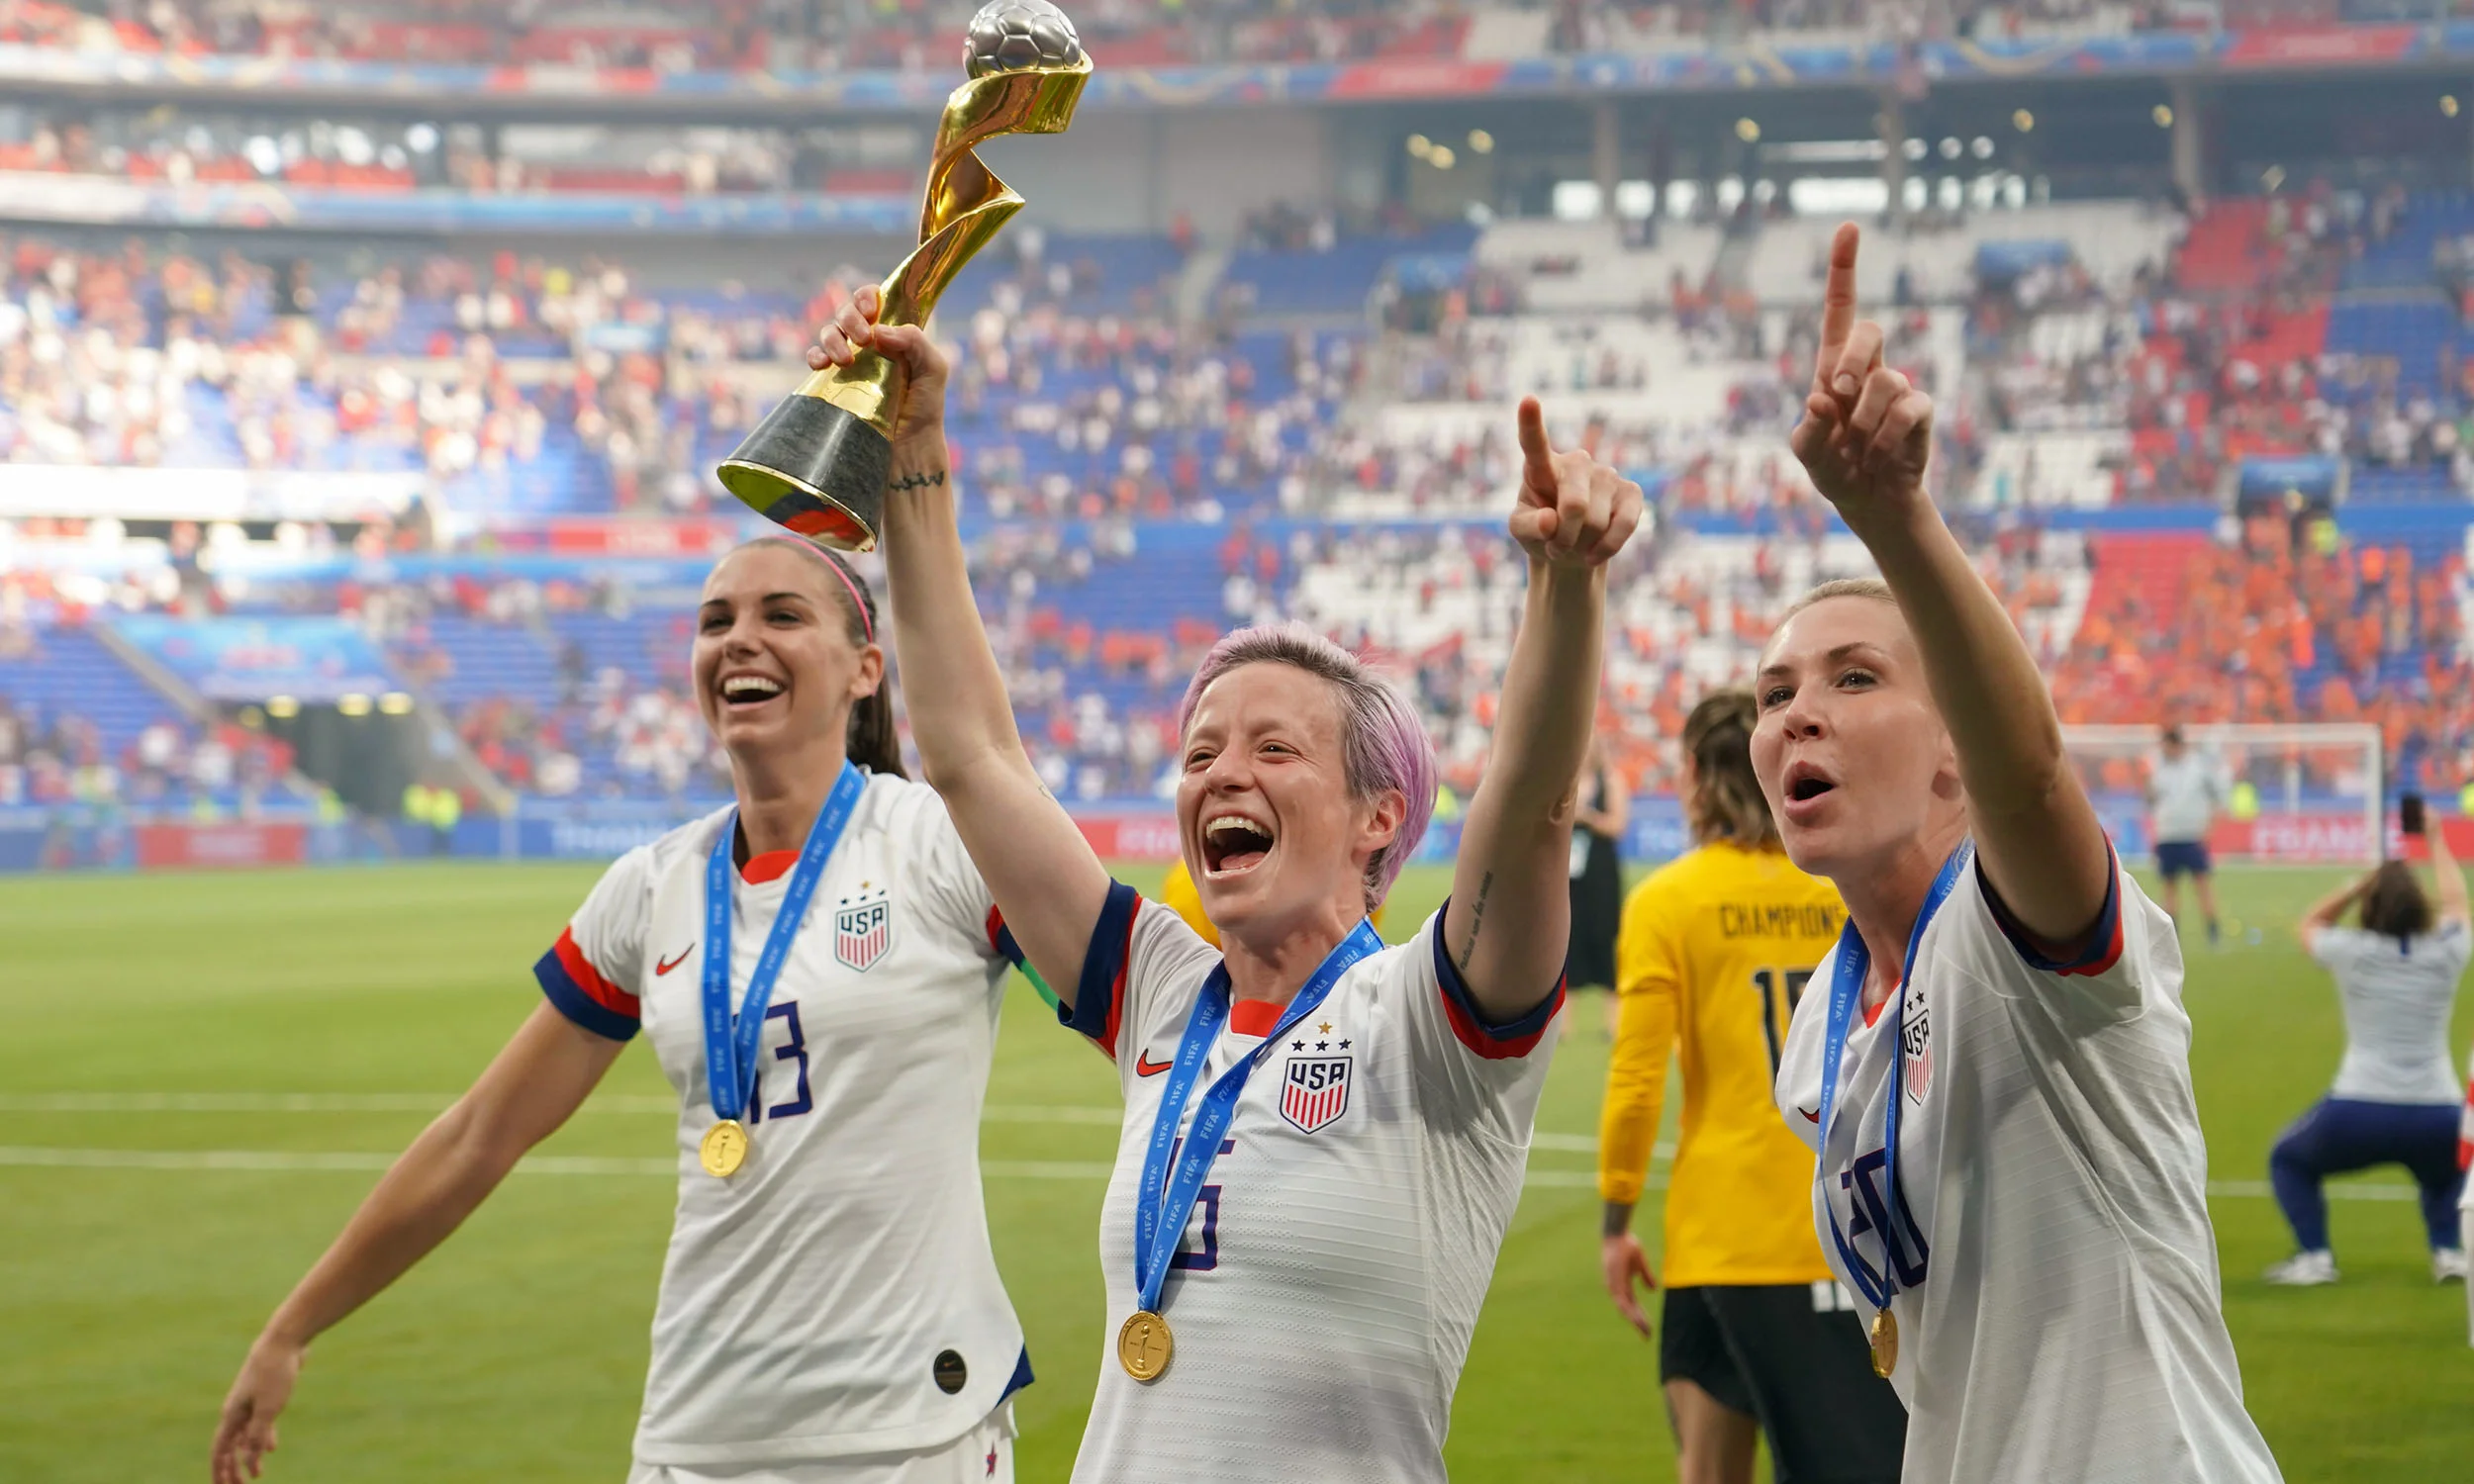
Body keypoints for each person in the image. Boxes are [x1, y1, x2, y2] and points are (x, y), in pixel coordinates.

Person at [811, 282, 1642, 1480]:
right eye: (1199, 752)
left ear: (1379, 821)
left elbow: (1532, 807)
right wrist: (915, 461)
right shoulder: (1165, 993)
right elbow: (974, 759)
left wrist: (1566, 588)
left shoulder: (1431, 1025)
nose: (1219, 776)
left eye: (1272, 749)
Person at [211, 537, 1035, 1484]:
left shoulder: (937, 844)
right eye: (714, 622)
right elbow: (480, 1134)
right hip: (697, 1437)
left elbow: (1121, 994)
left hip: (912, 1437)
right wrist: (292, 1327)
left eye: (782, 615)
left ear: (865, 670)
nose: (739, 641)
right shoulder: (652, 889)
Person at [1761, 224, 2282, 1483]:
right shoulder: (1813, 1040)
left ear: (1953, 750)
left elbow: (2035, 774)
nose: (1795, 715)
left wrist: (1894, 519)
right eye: (1773, 694)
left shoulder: (2017, 941)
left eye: (1853, 677)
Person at [1599, 691, 1903, 1484]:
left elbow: (1636, 1080)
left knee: (1708, 1471)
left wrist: (1616, 1217)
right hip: (1851, 1226)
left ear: (1695, 776)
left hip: (1721, 1231)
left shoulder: (1670, 899)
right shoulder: (1847, 889)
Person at [2265, 801, 2469, 1286]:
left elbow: (2310, 924)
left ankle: (2315, 1256)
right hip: (2436, 1108)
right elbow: (2459, 905)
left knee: (2289, 1158)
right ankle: (2448, 1253)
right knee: (2445, 1172)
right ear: (2421, 908)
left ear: (2370, 908)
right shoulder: (2446, 952)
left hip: (2359, 1106)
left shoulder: (2350, 951)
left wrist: (2360, 884)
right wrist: (2436, 840)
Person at [2147, 723, 2228, 946]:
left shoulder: (2199, 767)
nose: (2163, 750)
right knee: (2169, 888)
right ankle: (2173, 936)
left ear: (2176, 745)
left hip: (2192, 835)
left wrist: (2209, 829)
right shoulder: (2159, 769)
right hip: (2167, 836)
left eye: (2166, 746)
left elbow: (2218, 798)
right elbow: (2153, 800)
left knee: (2202, 886)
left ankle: (2213, 933)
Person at [1567, 734, 1628, 996]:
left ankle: (1612, 1021)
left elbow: (1616, 825)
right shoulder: (1565, 782)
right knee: (1569, 940)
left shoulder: (1611, 781)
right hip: (1569, 873)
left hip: (1601, 871)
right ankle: (1565, 1026)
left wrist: (1587, 817)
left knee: (1605, 939)